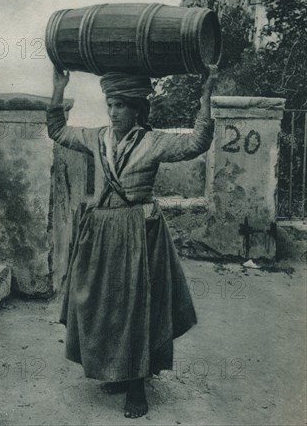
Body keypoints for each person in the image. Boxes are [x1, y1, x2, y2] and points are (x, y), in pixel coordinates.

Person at [47, 67, 217, 419]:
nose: (113, 112)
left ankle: (137, 384)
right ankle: (116, 369)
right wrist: (58, 88)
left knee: (137, 307)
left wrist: (206, 97)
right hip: (100, 234)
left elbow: (197, 143)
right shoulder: (96, 138)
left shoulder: (153, 142)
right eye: (110, 104)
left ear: (138, 109)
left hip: (139, 232)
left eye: (121, 106)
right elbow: (58, 131)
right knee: (101, 304)